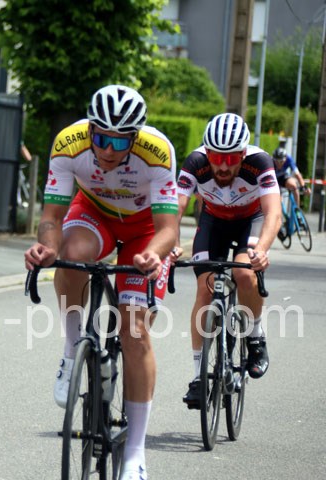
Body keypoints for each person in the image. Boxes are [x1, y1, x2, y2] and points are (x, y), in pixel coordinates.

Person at [24, 85, 178, 480]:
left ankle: (135, 455)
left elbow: (169, 229)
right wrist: (46, 249)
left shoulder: (157, 151)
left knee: (135, 332)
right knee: (71, 254)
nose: (108, 149)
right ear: (90, 129)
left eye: (120, 141)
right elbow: (51, 218)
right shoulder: (69, 143)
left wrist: (153, 255)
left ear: (135, 138)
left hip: (145, 230)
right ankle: (72, 348)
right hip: (94, 214)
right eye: (101, 138)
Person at [173, 113, 280, 408]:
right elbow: (175, 208)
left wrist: (262, 250)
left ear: (243, 154)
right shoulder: (195, 162)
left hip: (251, 221)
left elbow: (273, 213)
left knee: (244, 274)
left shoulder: (260, 162)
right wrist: (171, 244)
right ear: (207, 152)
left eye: (231, 158)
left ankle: (255, 336)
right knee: (204, 289)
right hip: (213, 222)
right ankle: (198, 377)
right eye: (216, 157)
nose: (222, 166)